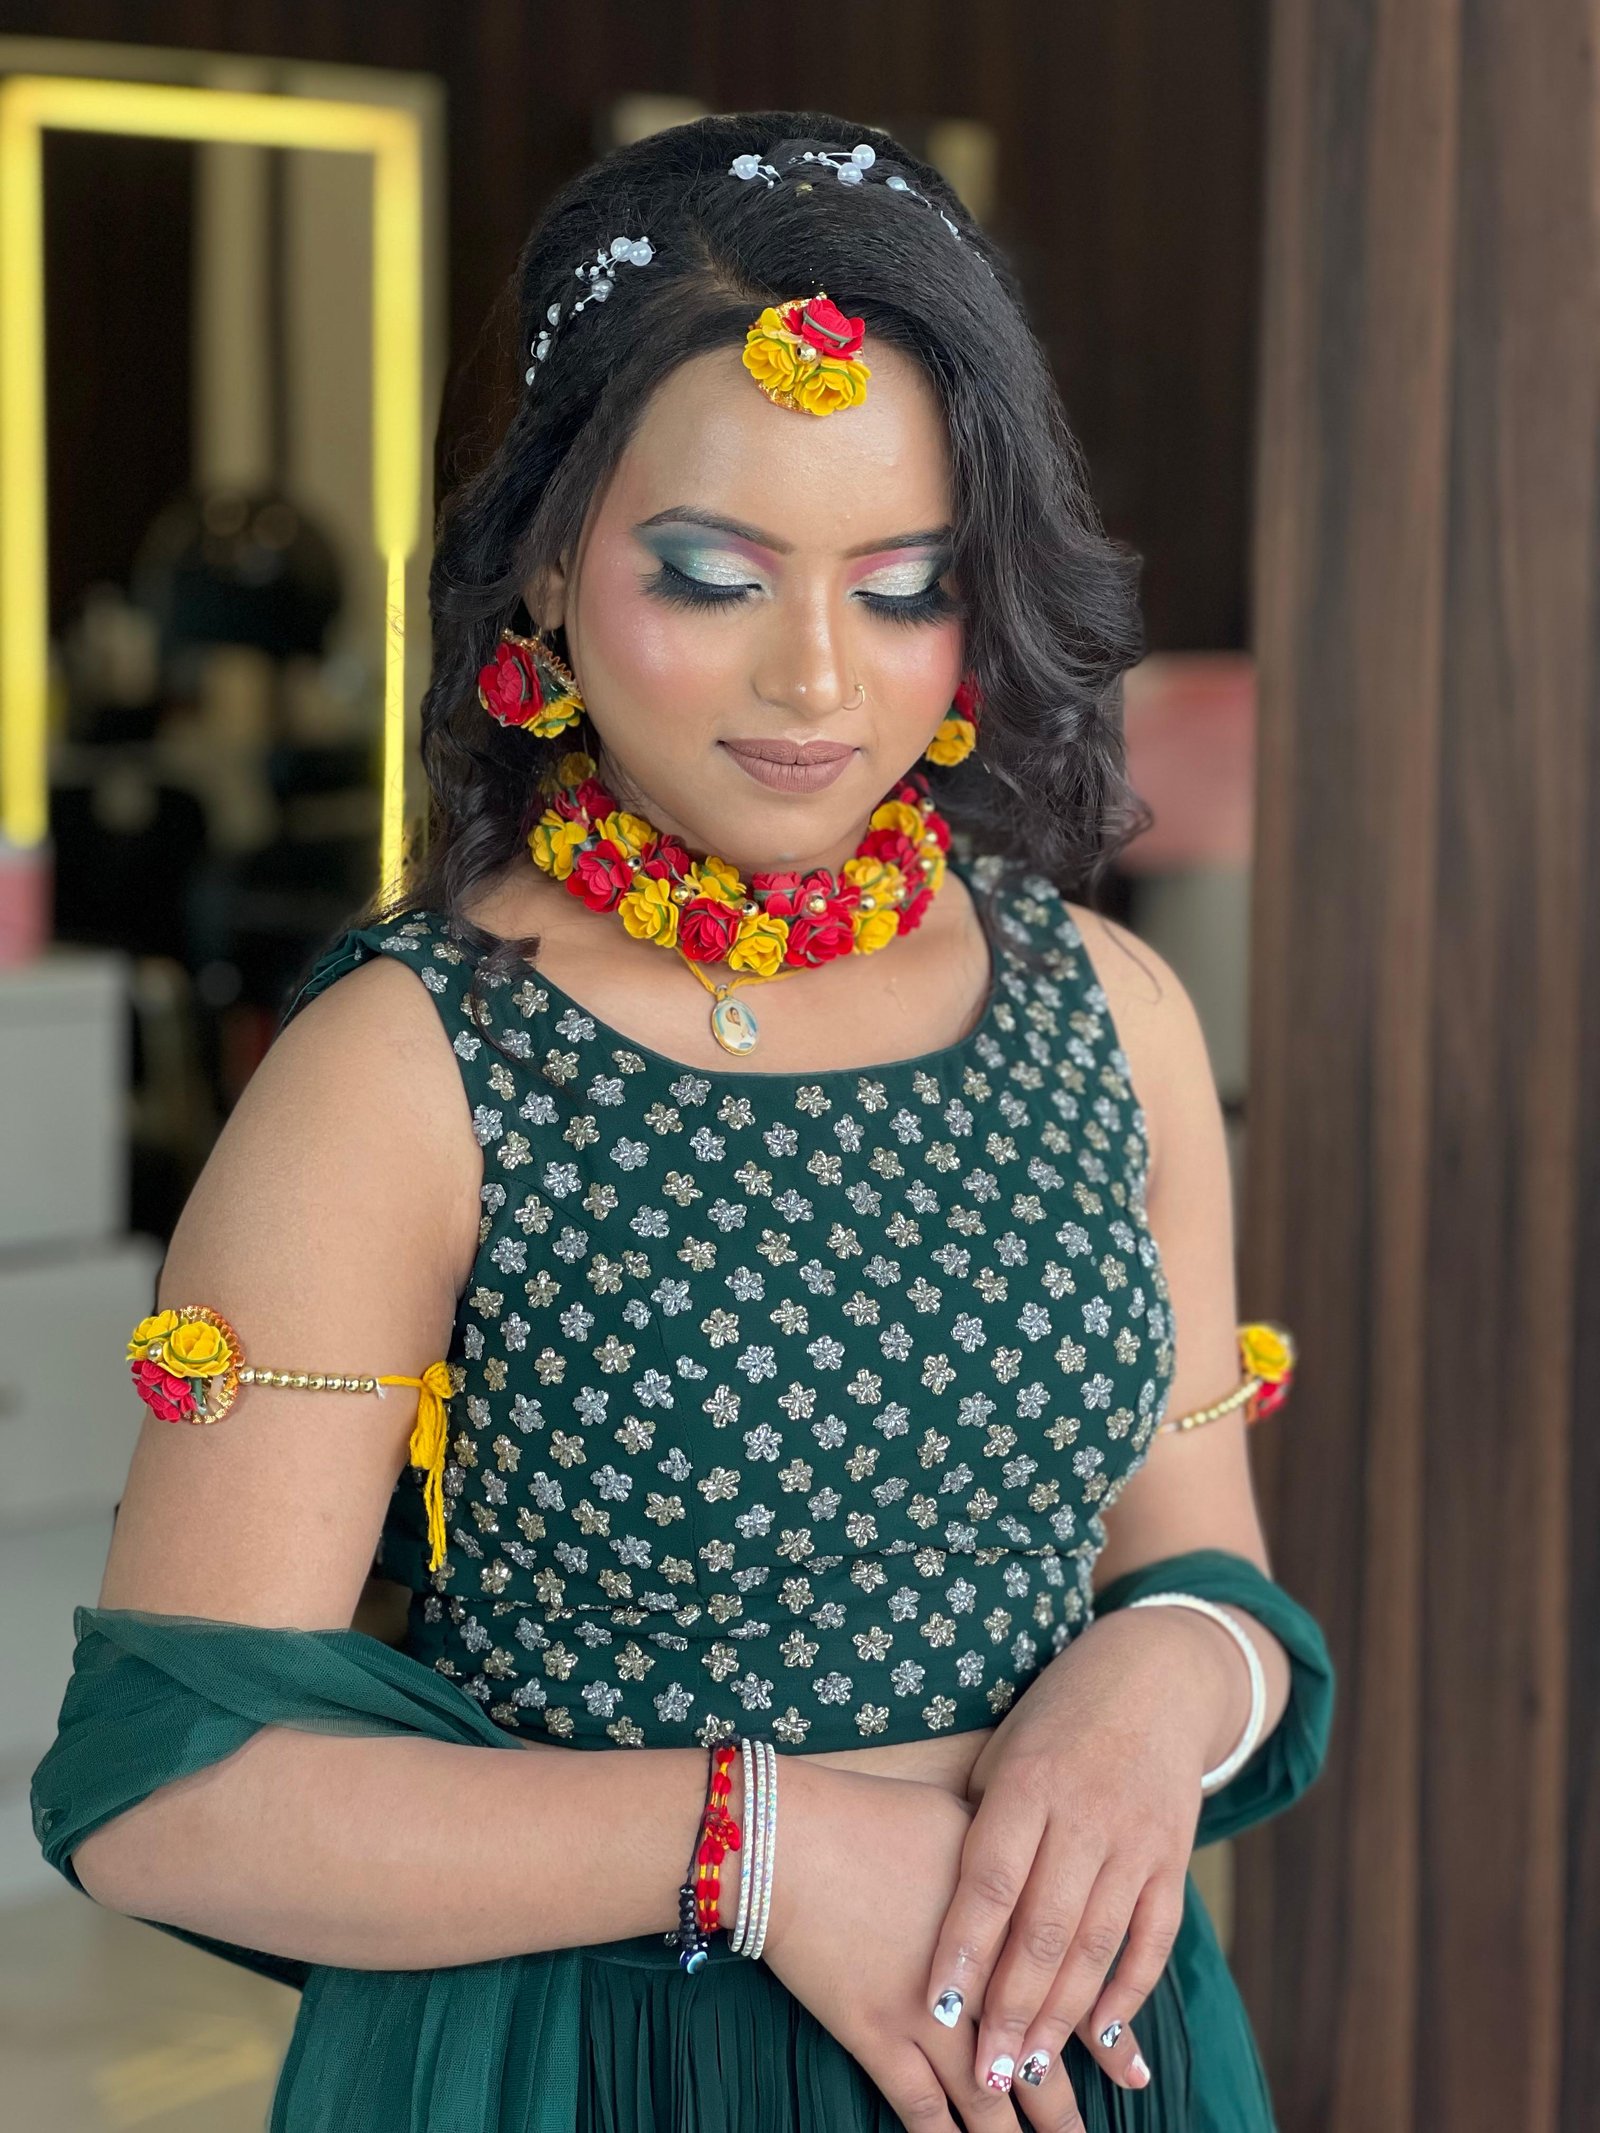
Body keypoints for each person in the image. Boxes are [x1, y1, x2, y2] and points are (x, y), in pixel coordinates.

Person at [31, 110, 1333, 2133]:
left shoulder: (1108, 1009)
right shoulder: (415, 1060)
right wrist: (762, 1847)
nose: (814, 675)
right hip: (601, 2063)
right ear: (551, 567)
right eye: (713, 574)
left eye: (902, 586)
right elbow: (164, 1789)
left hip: (1076, 2056)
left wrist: (1159, 1685)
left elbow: (1213, 1585)